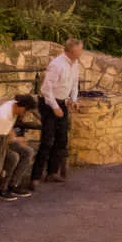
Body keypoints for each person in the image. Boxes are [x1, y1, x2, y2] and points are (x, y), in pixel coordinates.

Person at [33, 38, 82, 184]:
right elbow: (46, 89)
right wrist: (55, 107)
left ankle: (52, 172)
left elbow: (74, 83)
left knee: (61, 139)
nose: (82, 52)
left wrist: (73, 99)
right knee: (47, 140)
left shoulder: (75, 64)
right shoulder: (57, 65)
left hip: (62, 102)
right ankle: (35, 177)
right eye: (80, 49)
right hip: (49, 103)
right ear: (72, 50)